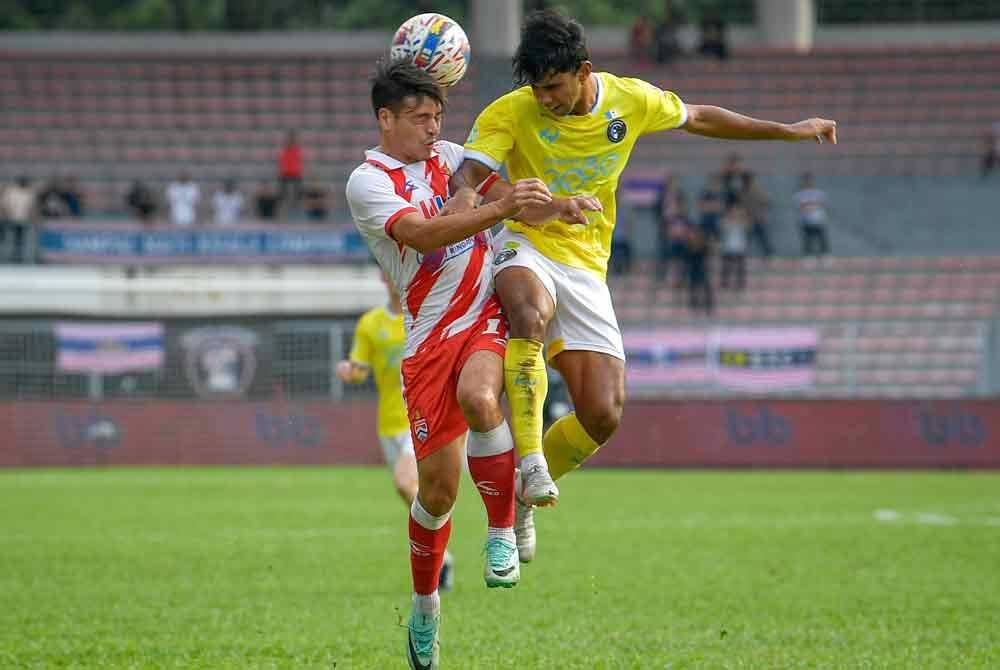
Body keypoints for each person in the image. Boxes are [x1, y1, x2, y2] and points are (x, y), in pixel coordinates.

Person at [450, 8, 836, 561]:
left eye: (555, 87)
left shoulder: (629, 100)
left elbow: (700, 116)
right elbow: (470, 175)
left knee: (603, 414)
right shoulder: (510, 112)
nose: (546, 100)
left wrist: (787, 130)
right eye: (537, 90)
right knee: (526, 313)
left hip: (586, 263)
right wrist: (468, 197)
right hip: (524, 243)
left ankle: (520, 498)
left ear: (583, 71)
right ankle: (531, 461)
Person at [344, 59, 553, 670]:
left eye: (438, 117)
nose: (433, 129)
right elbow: (425, 236)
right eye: (419, 118)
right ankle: (425, 610)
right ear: (386, 119)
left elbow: (511, 203)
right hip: (428, 339)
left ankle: (499, 533)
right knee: (435, 495)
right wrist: (500, 207)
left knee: (483, 398)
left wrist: (558, 205)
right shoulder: (368, 181)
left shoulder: (456, 157)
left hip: (484, 312)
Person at [335, 273, 454, 592]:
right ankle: (441, 554)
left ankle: (438, 550)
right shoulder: (371, 324)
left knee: (405, 483)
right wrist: (350, 372)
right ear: (383, 278)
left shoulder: (428, 314)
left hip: (422, 416)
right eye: (390, 274)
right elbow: (360, 369)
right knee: (413, 491)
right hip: (389, 422)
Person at [794, 172, 831, 263]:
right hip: (805, 220)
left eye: (809, 180)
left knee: (822, 239)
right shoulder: (799, 194)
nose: (808, 182)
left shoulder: (819, 193)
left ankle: (825, 256)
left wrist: (810, 205)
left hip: (819, 220)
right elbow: (801, 206)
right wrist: (813, 205)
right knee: (807, 240)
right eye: (806, 180)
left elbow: (823, 204)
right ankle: (808, 256)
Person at [720, 199, 750, 290]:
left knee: (740, 267)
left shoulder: (743, 221)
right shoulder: (726, 220)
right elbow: (723, 227)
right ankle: (724, 283)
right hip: (728, 247)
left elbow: (747, 226)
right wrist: (732, 220)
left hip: (740, 247)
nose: (735, 212)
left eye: (737, 210)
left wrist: (741, 217)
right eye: (733, 210)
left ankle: (740, 284)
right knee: (726, 267)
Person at [278, 130, 304, 215]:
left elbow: (298, 162)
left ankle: (296, 205)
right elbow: (282, 162)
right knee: (283, 192)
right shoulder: (285, 150)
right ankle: (284, 205)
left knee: (298, 191)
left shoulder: (296, 150)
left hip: (295, 173)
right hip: (286, 173)